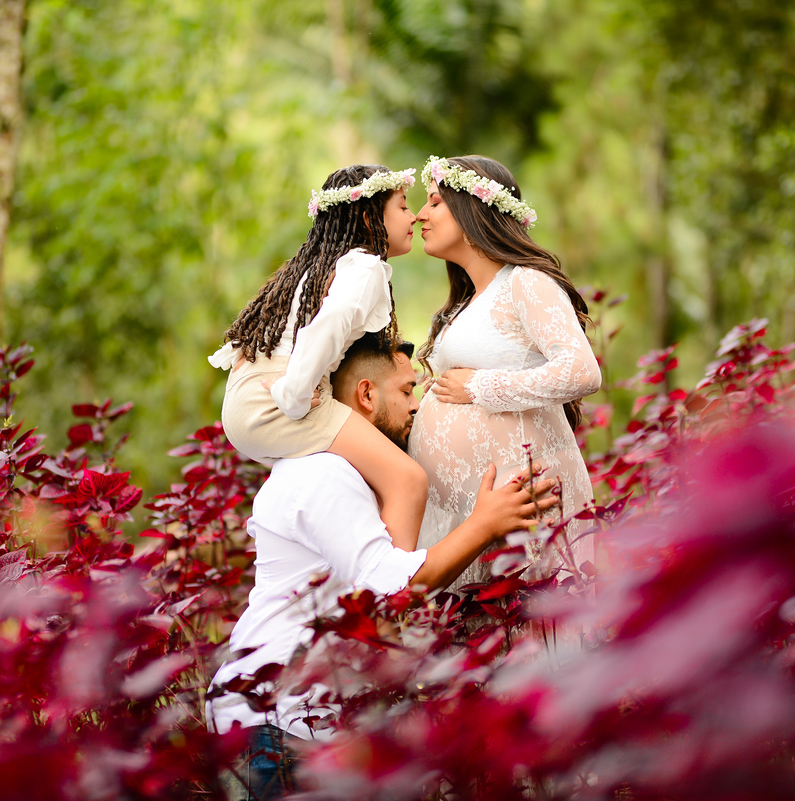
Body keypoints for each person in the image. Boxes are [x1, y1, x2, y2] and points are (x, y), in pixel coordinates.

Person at [210, 333, 559, 800]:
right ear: (366, 395)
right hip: (275, 723)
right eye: (406, 390)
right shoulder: (322, 473)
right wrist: (485, 525)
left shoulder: (345, 473)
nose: (417, 405)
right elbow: (390, 588)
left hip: (297, 720)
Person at [208, 165, 428, 552]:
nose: (414, 216)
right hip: (274, 403)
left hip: (245, 401)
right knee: (408, 481)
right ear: (367, 216)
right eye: (403, 205)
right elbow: (328, 326)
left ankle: (348, 574)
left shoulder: (318, 265)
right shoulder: (364, 266)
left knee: (367, 480)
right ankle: (391, 602)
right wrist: (295, 393)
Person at [409, 155, 601, 589]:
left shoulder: (525, 282)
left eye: (435, 202)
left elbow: (582, 371)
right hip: (466, 510)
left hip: (521, 493)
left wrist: (480, 386)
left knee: (530, 633)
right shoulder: (465, 303)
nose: (421, 214)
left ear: (471, 210)